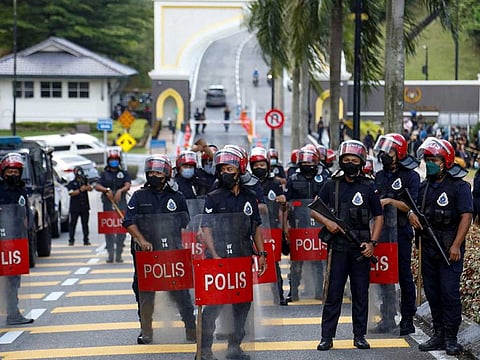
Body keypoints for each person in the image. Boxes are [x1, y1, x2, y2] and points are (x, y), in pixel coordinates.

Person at [312, 140, 383, 351]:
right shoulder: (331, 185)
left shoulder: (369, 186)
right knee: (333, 293)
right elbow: (314, 208)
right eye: (346, 160)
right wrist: (328, 223)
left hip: (360, 248)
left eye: (354, 160)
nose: (350, 163)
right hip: (338, 248)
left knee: (360, 293)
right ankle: (327, 337)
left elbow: (378, 217)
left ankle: (359, 336)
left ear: (361, 163)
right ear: (340, 161)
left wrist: (373, 243)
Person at [197, 146, 267, 360]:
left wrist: (262, 254)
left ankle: (234, 346)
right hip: (218, 259)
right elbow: (205, 228)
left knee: (242, 305)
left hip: (242, 258)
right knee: (213, 307)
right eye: (222, 169)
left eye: (230, 168)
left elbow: (255, 227)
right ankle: (205, 349)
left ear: (240, 169)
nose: (225, 172)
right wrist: (214, 254)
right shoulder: (213, 197)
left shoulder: (250, 196)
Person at [408, 137, 472, 356]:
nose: (430, 163)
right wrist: (410, 215)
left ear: (446, 161)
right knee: (433, 294)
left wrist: (456, 245)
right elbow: (415, 210)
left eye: (433, 158)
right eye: (427, 159)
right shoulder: (424, 187)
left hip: (449, 250)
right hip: (429, 249)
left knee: (449, 294)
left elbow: (466, 217)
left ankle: (451, 338)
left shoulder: (459, 186)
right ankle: (438, 334)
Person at [123, 155, 196, 345]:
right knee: (145, 291)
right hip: (146, 254)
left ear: (166, 174)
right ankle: (146, 330)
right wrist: (142, 240)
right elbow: (128, 221)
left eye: (158, 172)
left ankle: (191, 328)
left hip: (171, 252)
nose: (154, 176)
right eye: (151, 173)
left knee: (180, 291)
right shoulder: (139, 196)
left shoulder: (176, 197)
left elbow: (185, 222)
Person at [372, 133, 420, 335]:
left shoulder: (411, 176)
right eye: (383, 151)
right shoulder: (380, 176)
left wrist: (391, 202)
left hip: (400, 232)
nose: (385, 155)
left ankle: (407, 319)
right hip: (383, 232)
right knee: (384, 277)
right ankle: (387, 317)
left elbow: (413, 206)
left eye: (389, 151)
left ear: (399, 152)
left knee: (403, 276)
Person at [284, 146, 327, 302]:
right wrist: (286, 226)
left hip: (318, 224)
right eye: (304, 161)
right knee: (296, 260)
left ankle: (320, 291)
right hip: (299, 224)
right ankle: (293, 291)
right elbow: (286, 202)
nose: (307, 164)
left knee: (317, 260)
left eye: (310, 161)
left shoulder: (324, 177)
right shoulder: (294, 178)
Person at [249, 146, 288, 306]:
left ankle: (279, 296)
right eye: (256, 165)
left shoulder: (275, 184)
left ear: (268, 165)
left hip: (272, 228)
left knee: (274, 263)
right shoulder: (248, 183)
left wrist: (284, 227)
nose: (259, 168)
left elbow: (282, 209)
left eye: (262, 165)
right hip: (253, 228)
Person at [0, 153, 34, 325]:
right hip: (2, 240)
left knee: (14, 280)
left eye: (16, 172)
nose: (13, 175)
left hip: (16, 242)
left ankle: (13, 313)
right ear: (3, 172)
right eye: (10, 172)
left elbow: (26, 215)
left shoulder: (22, 190)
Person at [95, 149, 131, 263]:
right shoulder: (104, 174)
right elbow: (97, 185)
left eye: (116, 160)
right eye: (112, 160)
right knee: (109, 231)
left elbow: (128, 185)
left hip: (121, 205)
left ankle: (119, 253)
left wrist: (120, 191)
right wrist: (106, 190)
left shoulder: (124, 173)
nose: (114, 162)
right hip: (108, 206)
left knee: (122, 230)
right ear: (108, 161)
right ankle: (110, 254)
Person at [67, 166, 93, 246]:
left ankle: (86, 239)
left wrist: (87, 186)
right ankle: (71, 240)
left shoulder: (85, 182)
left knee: (85, 224)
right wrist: (80, 190)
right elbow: (71, 193)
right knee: (73, 224)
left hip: (84, 206)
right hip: (75, 207)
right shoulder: (72, 183)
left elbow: (90, 188)